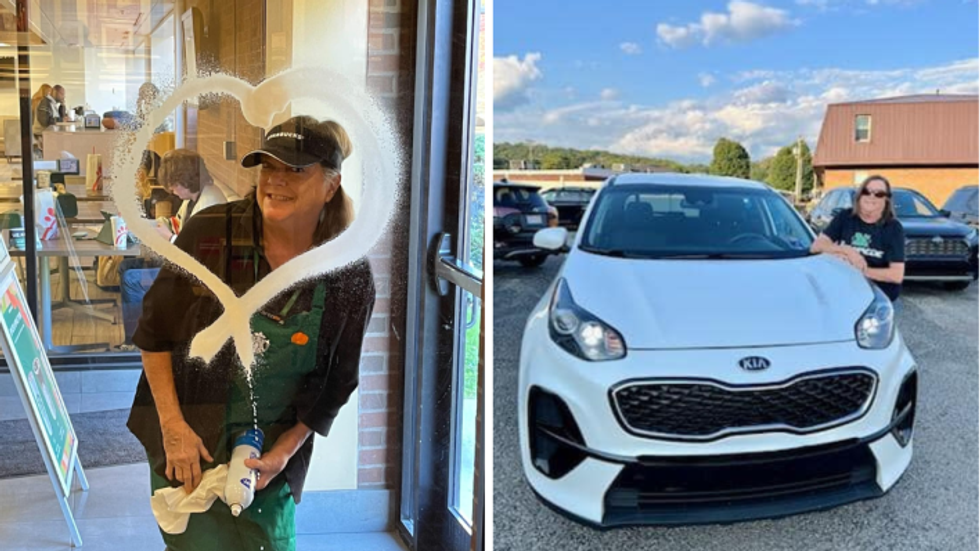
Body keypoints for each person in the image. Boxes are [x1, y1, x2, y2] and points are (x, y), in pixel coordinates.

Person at [126, 115, 375, 551]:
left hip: (269, 452)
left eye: (295, 170)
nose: (276, 181)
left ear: (330, 185)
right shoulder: (212, 237)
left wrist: (283, 454)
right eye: (268, 167)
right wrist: (173, 428)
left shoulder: (346, 272)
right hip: (189, 436)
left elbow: (337, 381)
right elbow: (154, 333)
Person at [117, 149, 230, 349]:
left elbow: (198, 256)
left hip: (194, 282)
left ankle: (136, 343)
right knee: (126, 266)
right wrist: (156, 225)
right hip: (185, 269)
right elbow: (180, 225)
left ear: (187, 180)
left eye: (174, 184)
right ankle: (134, 334)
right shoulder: (195, 196)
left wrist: (169, 238)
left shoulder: (210, 206)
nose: (170, 189)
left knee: (132, 279)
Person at [810, 175, 906, 303]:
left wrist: (859, 270)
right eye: (867, 191)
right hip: (844, 289)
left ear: (886, 200)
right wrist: (847, 250)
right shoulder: (845, 217)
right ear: (860, 195)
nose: (871, 196)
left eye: (879, 194)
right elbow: (816, 246)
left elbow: (896, 275)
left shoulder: (893, 228)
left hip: (878, 295)